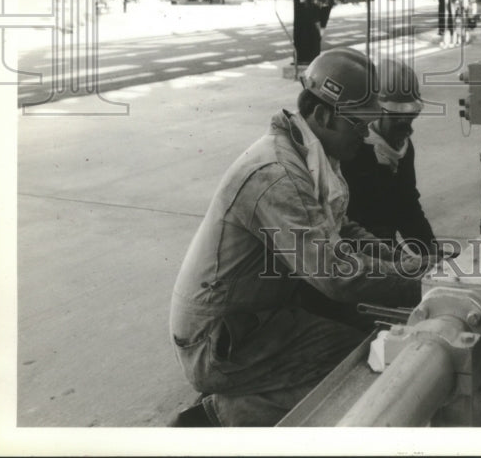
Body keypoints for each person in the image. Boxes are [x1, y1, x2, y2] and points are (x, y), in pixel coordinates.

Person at [168, 47, 421, 427]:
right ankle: (220, 416)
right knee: (359, 366)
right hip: (217, 341)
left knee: (368, 336)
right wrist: (419, 284)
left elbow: (341, 228)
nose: (367, 135)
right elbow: (336, 274)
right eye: (358, 125)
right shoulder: (277, 175)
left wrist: (399, 262)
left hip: (255, 315)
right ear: (322, 115)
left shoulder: (309, 154)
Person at [341, 57, 436, 254]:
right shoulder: (353, 151)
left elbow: (407, 205)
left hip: (382, 245)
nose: (404, 121)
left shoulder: (403, 146)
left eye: (410, 114)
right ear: (376, 110)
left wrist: (431, 252)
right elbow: (353, 224)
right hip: (352, 248)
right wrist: (398, 260)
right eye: (395, 114)